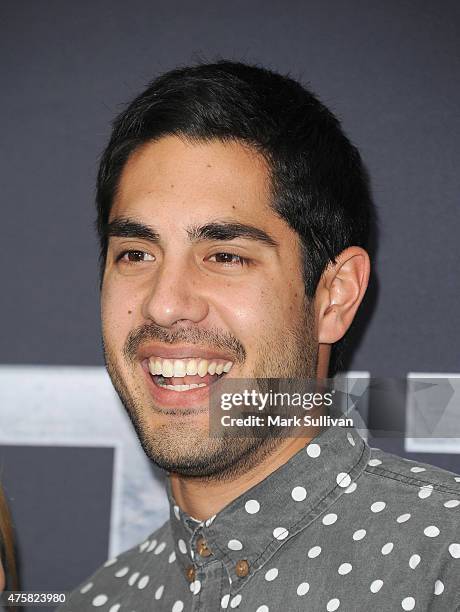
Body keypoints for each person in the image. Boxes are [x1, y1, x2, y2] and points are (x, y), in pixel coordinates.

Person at [59, 60, 459, 611]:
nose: (165, 302)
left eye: (225, 255)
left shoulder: (446, 563)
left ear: (334, 295)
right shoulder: (96, 603)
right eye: (136, 253)